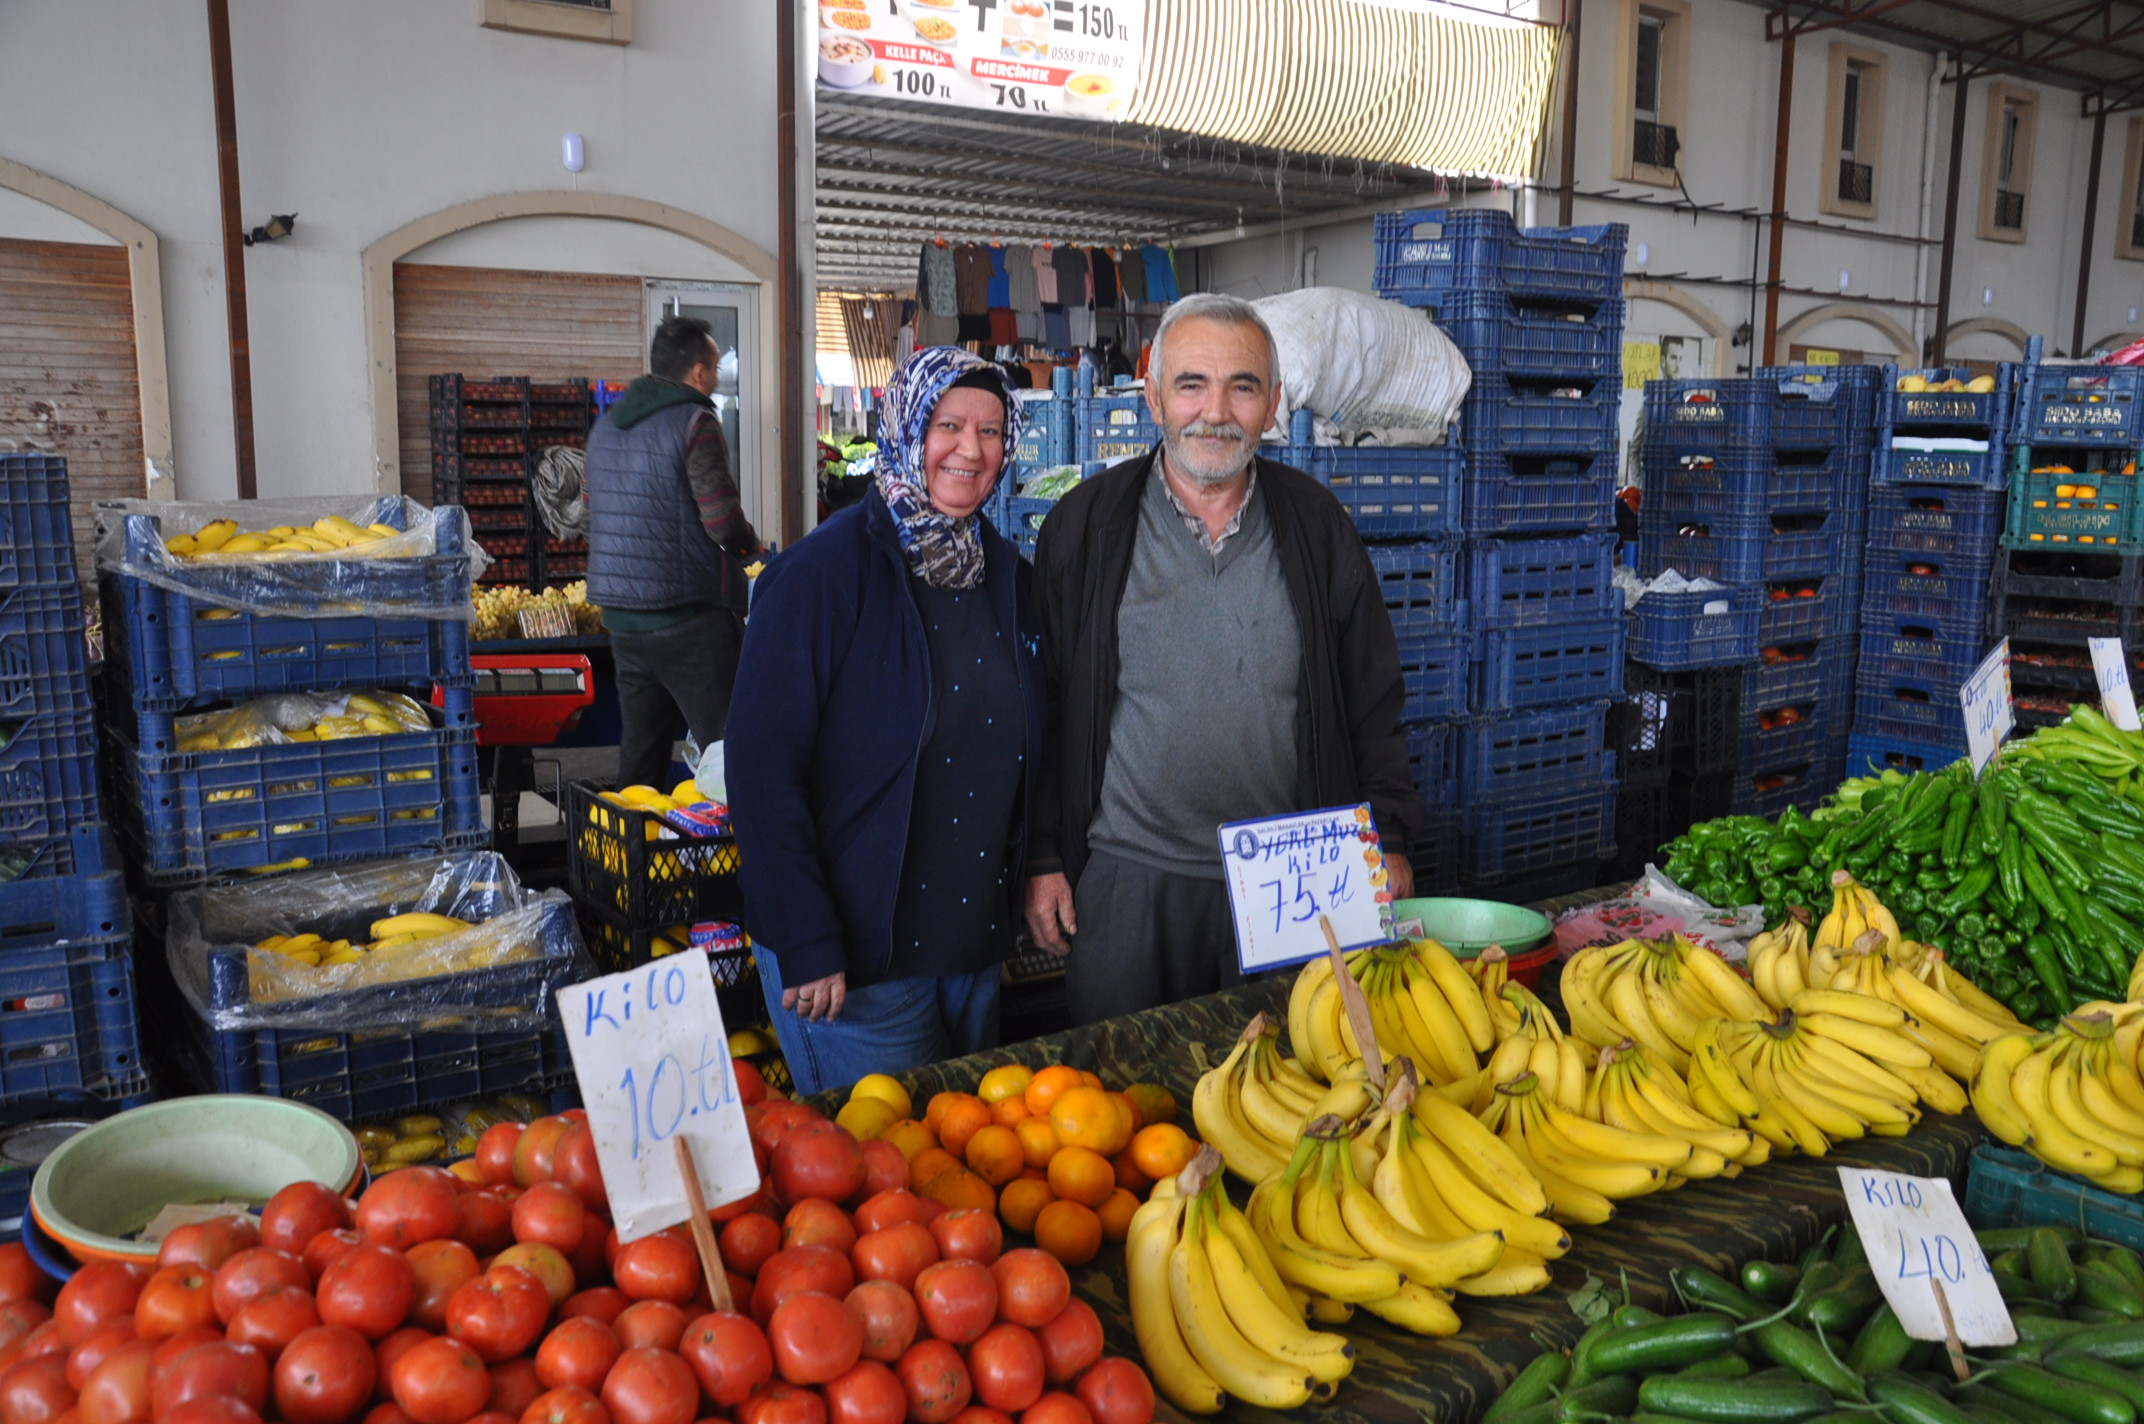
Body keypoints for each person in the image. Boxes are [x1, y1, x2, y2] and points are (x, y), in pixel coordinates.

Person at [1023, 293, 1421, 1024]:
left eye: (1242, 387)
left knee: (1283, 1075)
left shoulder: (1317, 526)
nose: (1216, 412)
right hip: (1127, 878)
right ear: (1153, 399)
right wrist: (1045, 855)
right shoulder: (1085, 527)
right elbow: (1044, 707)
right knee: (1122, 1083)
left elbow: (1371, 696)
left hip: (1291, 875)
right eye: (1191, 385)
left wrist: (1387, 835)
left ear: (1272, 405)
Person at [727, 348, 1046, 1096]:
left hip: (971, 950)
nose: (972, 450)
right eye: (948, 426)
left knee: (966, 1150)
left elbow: (1036, 737)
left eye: (991, 431)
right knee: (890, 1159)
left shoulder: (1009, 577)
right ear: (905, 429)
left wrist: (1041, 863)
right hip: (857, 965)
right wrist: (805, 934)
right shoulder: (820, 577)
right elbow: (761, 767)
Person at [584, 315, 760, 790]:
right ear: (698, 372)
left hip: (623, 621)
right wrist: (748, 546)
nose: (717, 376)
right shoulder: (695, 421)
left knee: (641, 755)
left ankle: (633, 837)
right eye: (715, 366)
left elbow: (588, 514)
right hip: (688, 617)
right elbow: (720, 518)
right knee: (731, 750)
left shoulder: (605, 428)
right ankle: (731, 838)